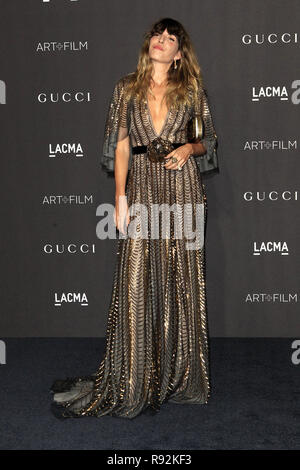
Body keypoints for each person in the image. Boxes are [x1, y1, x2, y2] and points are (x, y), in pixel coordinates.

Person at [50, 17, 218, 419]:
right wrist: (120, 198)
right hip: (141, 186)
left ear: (179, 52)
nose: (161, 41)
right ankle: (134, 377)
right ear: (149, 45)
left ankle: (178, 375)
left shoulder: (191, 89)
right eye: (157, 36)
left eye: (170, 38)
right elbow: (121, 147)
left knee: (181, 276)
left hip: (182, 190)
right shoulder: (126, 88)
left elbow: (208, 139)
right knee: (137, 278)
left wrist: (188, 151)